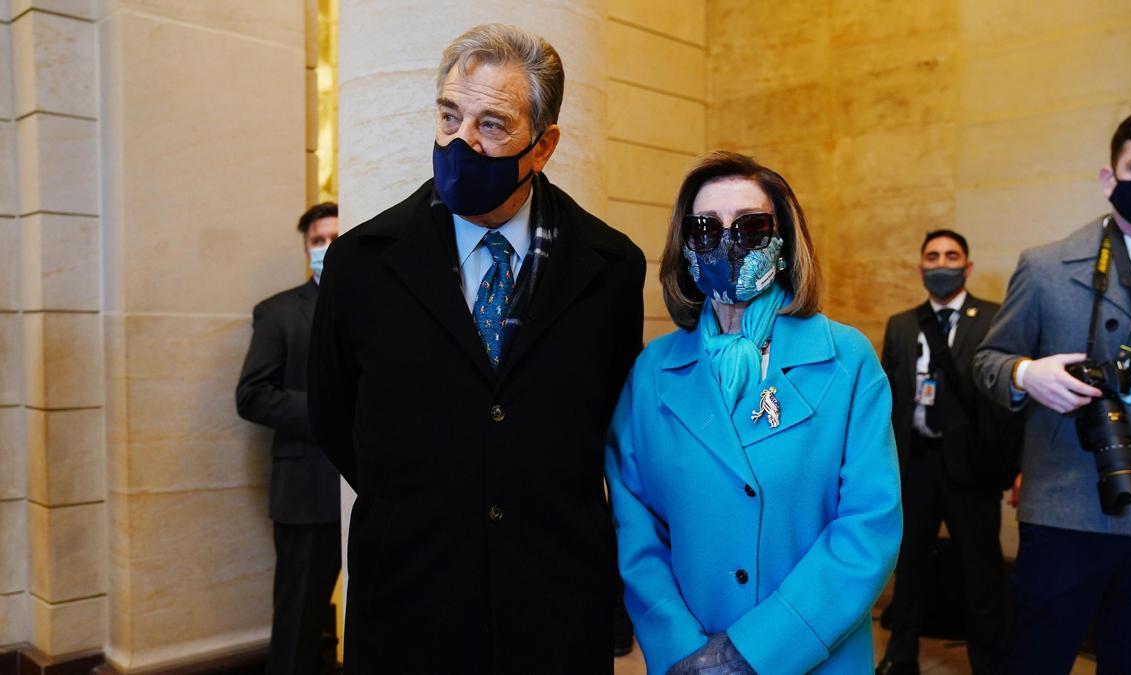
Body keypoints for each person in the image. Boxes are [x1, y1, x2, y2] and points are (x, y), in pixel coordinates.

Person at [307, 24, 646, 674]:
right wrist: (431, 492)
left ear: (542, 145)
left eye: (492, 124)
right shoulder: (362, 263)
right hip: (409, 598)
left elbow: (607, 419)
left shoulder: (610, 268)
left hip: (553, 604)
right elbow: (334, 415)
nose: (462, 141)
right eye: (449, 115)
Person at [606, 151, 902, 675]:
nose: (727, 243)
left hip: (817, 657)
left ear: (784, 244)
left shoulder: (847, 360)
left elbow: (868, 524)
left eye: (750, 227)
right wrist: (682, 648)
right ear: (685, 250)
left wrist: (751, 650)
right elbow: (635, 527)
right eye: (705, 228)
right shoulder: (653, 372)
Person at [974, 107, 1131, 674]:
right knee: (1035, 661)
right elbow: (987, 360)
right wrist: (1030, 375)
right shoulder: (1046, 266)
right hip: (1066, 506)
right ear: (1110, 177)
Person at [877, 230, 1019, 675]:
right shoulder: (901, 325)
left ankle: (988, 662)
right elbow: (886, 398)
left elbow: (1011, 404)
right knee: (910, 566)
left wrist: (1018, 468)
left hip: (972, 467)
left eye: (951, 255)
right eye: (933, 256)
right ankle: (901, 657)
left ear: (968, 266)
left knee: (981, 573)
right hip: (914, 464)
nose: (942, 263)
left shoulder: (995, 319)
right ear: (921, 268)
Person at [236, 202, 342, 675]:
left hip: (372, 490)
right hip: (307, 488)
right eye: (319, 240)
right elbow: (252, 396)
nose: (327, 248)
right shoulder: (278, 313)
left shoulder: (378, 308)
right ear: (306, 250)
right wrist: (326, 409)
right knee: (299, 617)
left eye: (337, 239)